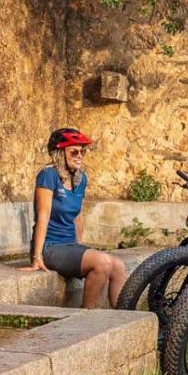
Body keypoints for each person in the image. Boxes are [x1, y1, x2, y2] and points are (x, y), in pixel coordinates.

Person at [24, 127, 127, 308]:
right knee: (102, 263)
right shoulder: (48, 176)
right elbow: (43, 215)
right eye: (74, 151)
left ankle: (122, 319)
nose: (80, 155)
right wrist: (37, 257)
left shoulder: (81, 178)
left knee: (118, 266)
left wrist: (80, 249)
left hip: (70, 245)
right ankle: (85, 316)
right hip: (50, 247)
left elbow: (77, 216)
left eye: (82, 151)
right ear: (59, 153)